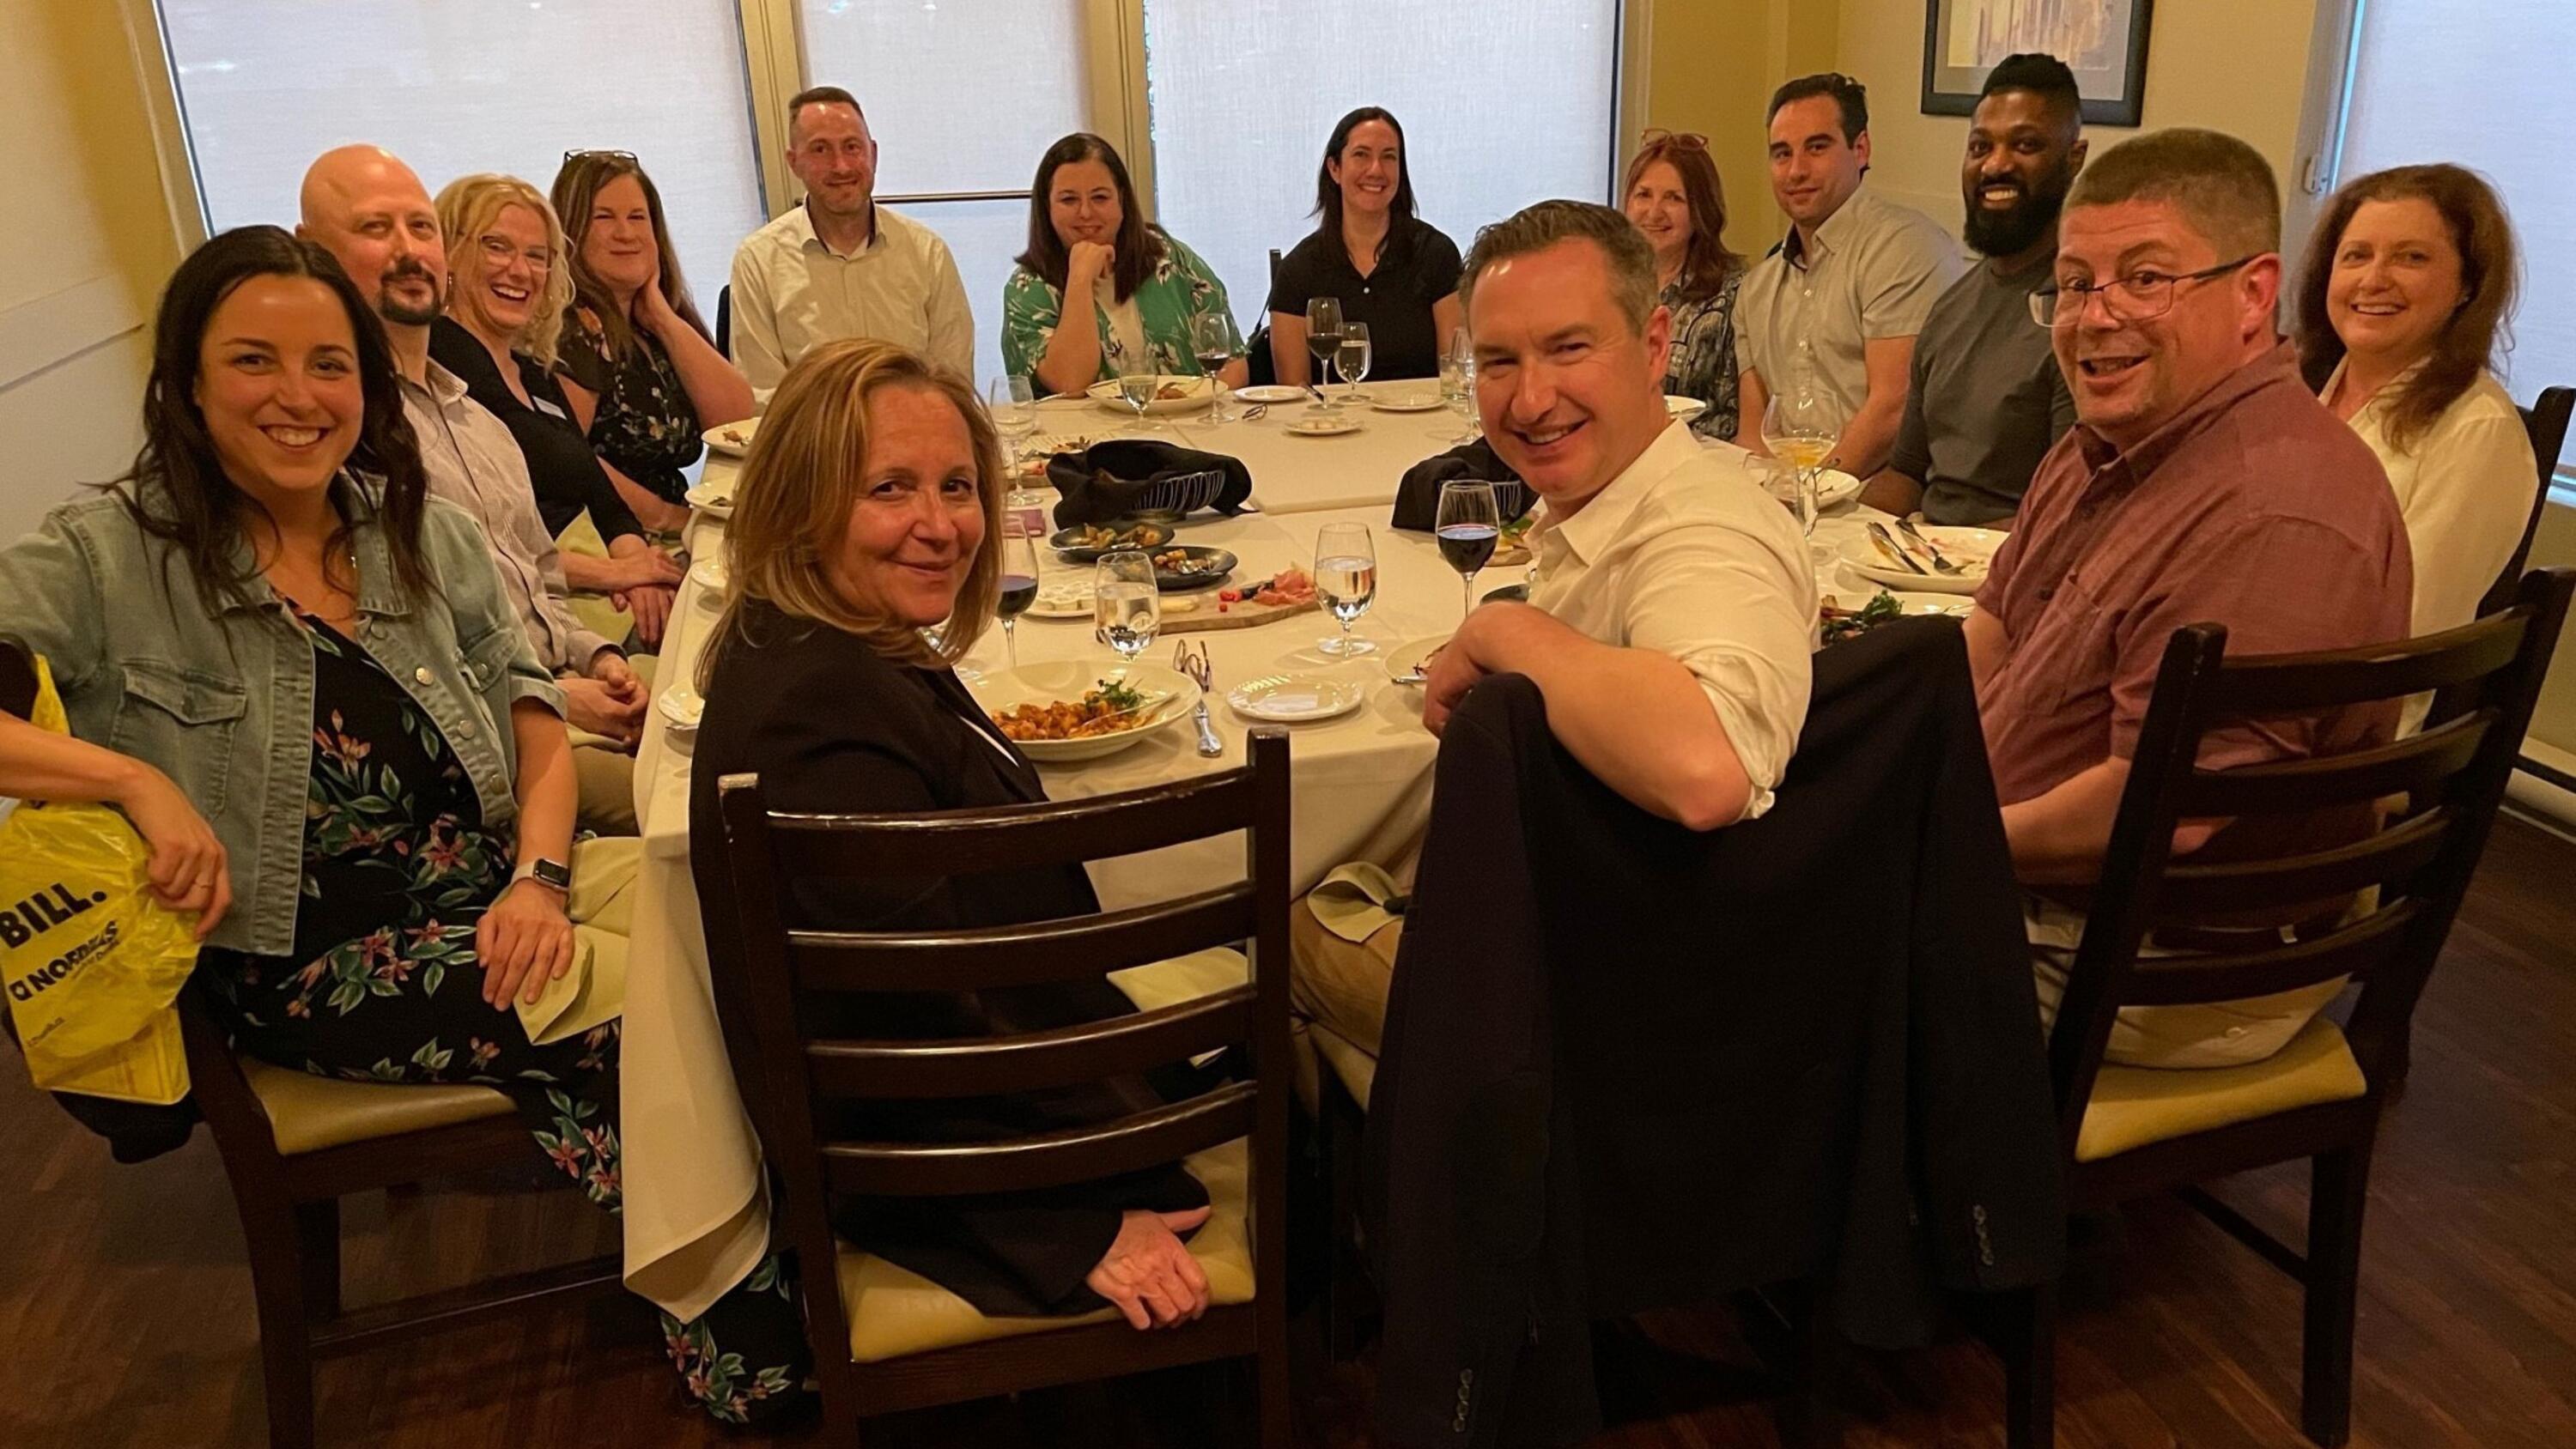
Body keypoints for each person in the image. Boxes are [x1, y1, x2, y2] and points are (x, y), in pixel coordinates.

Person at [0, 226, 799, 1426]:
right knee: (644, 1016)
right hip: (303, 953)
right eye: (254, 361)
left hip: (495, 883)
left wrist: (537, 875)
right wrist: (129, 781)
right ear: (185, 380)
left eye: (330, 363)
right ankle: (760, 1340)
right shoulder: (113, 556)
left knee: (749, 931)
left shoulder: (412, 527)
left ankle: (839, 1235)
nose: (298, 396)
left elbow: (533, 718)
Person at [687, 338, 1220, 1338]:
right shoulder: (818, 714)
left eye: (957, 486)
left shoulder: (833, 644)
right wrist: (1065, 1227)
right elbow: (891, 1037)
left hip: (1023, 1069)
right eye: (890, 488)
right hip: (972, 1159)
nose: (940, 526)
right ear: (801, 501)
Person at [1293, 200, 1817, 1079]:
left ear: (1655, 347)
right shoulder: (1603, 507)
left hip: (1624, 1013)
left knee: (1281, 918)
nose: (1530, 399)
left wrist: (1502, 625)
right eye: (1498, 361)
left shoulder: (1702, 527)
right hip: (1591, 938)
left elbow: (1709, 763)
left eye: (1570, 348)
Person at [1965, 129, 2415, 1069]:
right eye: (2077, 281)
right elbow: (1993, 627)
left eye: (2145, 278)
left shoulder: (2275, 510)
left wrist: (1945, 838)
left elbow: (2161, 810)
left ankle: (1934, 1203)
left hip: (2160, 964)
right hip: (2042, 892)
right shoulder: (2107, 440)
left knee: (1751, 948)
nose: (2096, 316)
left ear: (2253, 294)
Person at [298, 145, 647, 835]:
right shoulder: (340, 435)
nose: (407, 251)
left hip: (564, 685)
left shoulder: (479, 421)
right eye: (375, 229)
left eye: (420, 227)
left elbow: (540, 581)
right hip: (499, 732)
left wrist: (600, 657)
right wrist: (561, 698)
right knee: (705, 802)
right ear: (312, 252)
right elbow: (399, 656)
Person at [425, 173, 681, 648]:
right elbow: (481, 547)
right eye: (497, 247)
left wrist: (636, 564)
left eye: (536, 256)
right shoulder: (444, 372)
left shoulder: (529, 366)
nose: (520, 271)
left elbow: (599, 490)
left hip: (603, 581)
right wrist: (614, 573)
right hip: (538, 609)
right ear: (450, 254)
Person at [2298, 163, 2535, 652]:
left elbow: (2410, 625)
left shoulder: (2477, 429)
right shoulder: (2293, 392)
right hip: (2243, 669)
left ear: (2467, 285)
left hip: (2348, 704)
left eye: (2411, 258)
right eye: (2356, 256)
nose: (2374, 279)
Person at [1863, 53, 2085, 524]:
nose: (1995, 165)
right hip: (1921, 567)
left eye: (2025, 145)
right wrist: (1819, 535)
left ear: (2074, 159)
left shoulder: (2083, 316)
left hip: (2010, 575)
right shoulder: (1949, 309)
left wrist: (1947, 557)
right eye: (1980, 147)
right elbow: (1905, 474)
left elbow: (2069, 515)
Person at [1733, 72, 1963, 479]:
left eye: (1816, 148)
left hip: (1882, 508)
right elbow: (1753, 438)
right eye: (1781, 154)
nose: (1796, 171)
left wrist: (1810, 500)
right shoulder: (1756, 289)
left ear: (1861, 149)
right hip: (1786, 507)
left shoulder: (1904, 248)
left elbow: (1893, 410)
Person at [727, 86, 975, 401]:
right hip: (813, 445)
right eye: (820, 150)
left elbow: (954, 382)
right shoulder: (759, 261)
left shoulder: (928, 253)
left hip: (912, 440)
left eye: (852, 147)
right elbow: (763, 396)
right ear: (794, 162)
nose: (841, 166)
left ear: (873, 153)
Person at [551, 149, 754, 530]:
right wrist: (664, 516)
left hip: (677, 522)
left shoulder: (652, 323)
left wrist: (661, 316)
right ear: (570, 232)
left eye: (637, 218)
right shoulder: (574, 330)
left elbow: (736, 419)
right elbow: (567, 462)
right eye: (603, 218)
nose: (625, 233)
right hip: (617, 535)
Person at [1000, 132, 1248, 395]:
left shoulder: (1169, 257)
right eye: (1068, 200)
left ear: (1121, 200)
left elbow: (1233, 361)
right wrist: (1080, 279)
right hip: (1079, 435)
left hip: (1186, 425)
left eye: (1100, 198)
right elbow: (1069, 383)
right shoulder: (1026, 287)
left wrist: (1195, 398)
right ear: (1046, 208)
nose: (1085, 212)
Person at [1266, 107, 1465, 386]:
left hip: (1425, 427)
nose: (1376, 170)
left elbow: (1456, 378)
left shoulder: (1436, 254)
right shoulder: (1299, 270)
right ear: (1335, 168)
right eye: (1361, 155)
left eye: (1389, 157)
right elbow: (1295, 395)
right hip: (1331, 428)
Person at [1623, 129, 1746, 440]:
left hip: (1702, 461)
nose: (1654, 212)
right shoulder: (1609, 286)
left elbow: (1735, 417)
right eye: (1643, 194)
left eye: (1673, 198)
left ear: (1701, 210)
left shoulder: (1733, 294)